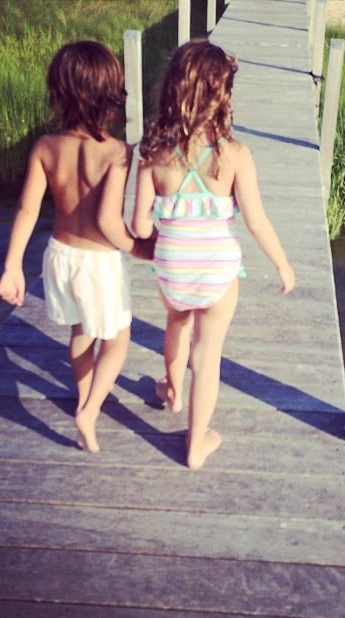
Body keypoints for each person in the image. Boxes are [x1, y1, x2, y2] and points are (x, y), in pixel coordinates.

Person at [131, 38, 295, 470]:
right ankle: (196, 442)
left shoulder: (152, 153)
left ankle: (171, 392)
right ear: (222, 97)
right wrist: (282, 264)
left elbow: (139, 226)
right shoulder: (235, 155)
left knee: (176, 322)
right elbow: (257, 221)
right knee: (208, 357)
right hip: (218, 270)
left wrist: (163, 250)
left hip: (173, 268)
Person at [0, 41, 153, 454]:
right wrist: (141, 250)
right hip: (99, 262)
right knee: (118, 339)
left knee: (81, 331)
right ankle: (90, 409)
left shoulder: (46, 147)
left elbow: (27, 209)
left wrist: (12, 266)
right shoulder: (117, 152)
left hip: (59, 256)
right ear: (111, 95)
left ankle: (85, 398)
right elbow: (108, 223)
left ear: (60, 93)